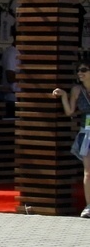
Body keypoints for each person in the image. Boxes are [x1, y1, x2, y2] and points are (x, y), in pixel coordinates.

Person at [51, 62, 90, 218]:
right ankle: (88, 206)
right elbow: (69, 111)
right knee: (88, 172)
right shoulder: (77, 90)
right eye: (78, 71)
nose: (80, 73)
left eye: (84, 70)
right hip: (86, 131)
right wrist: (64, 96)